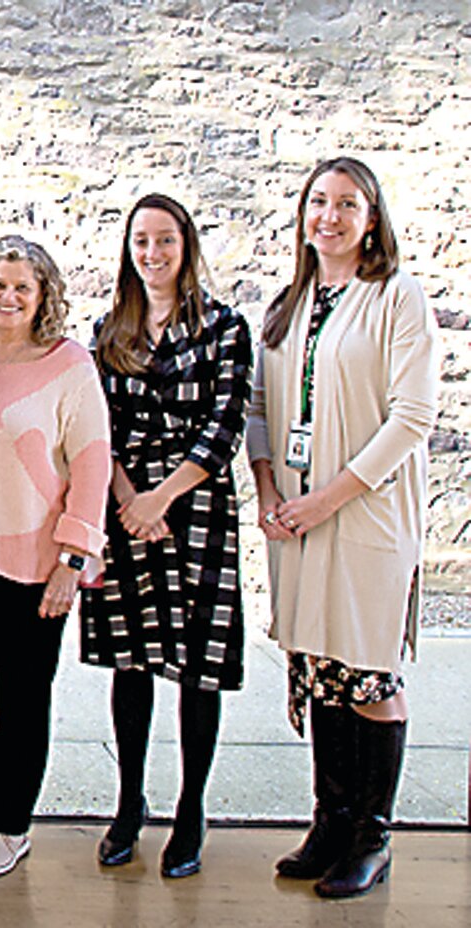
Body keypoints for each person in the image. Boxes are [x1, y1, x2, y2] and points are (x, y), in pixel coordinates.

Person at [246, 157, 437, 899]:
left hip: (365, 515)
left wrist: (330, 497)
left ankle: (372, 837)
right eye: (318, 202)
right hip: (295, 520)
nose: (329, 216)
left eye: (346, 204)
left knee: (367, 670)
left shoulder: (397, 298)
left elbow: (411, 418)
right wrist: (268, 488)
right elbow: (262, 412)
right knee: (321, 667)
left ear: (371, 218)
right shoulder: (290, 303)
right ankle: (330, 821)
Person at [80, 194, 253, 878]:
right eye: (141, 242)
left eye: (165, 241)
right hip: (124, 508)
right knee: (133, 660)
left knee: (196, 665)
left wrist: (162, 497)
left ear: (187, 246)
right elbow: (98, 428)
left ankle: (191, 809)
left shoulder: (224, 327)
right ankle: (129, 803)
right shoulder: (108, 329)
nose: (152, 254)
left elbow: (226, 425)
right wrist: (127, 499)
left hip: (196, 502)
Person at [0, 235, 110, 878]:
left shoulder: (69, 365)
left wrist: (74, 557)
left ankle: (11, 824)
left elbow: (93, 462)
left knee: (23, 700)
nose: (8, 297)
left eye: (22, 288)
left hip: (35, 566)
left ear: (44, 297)